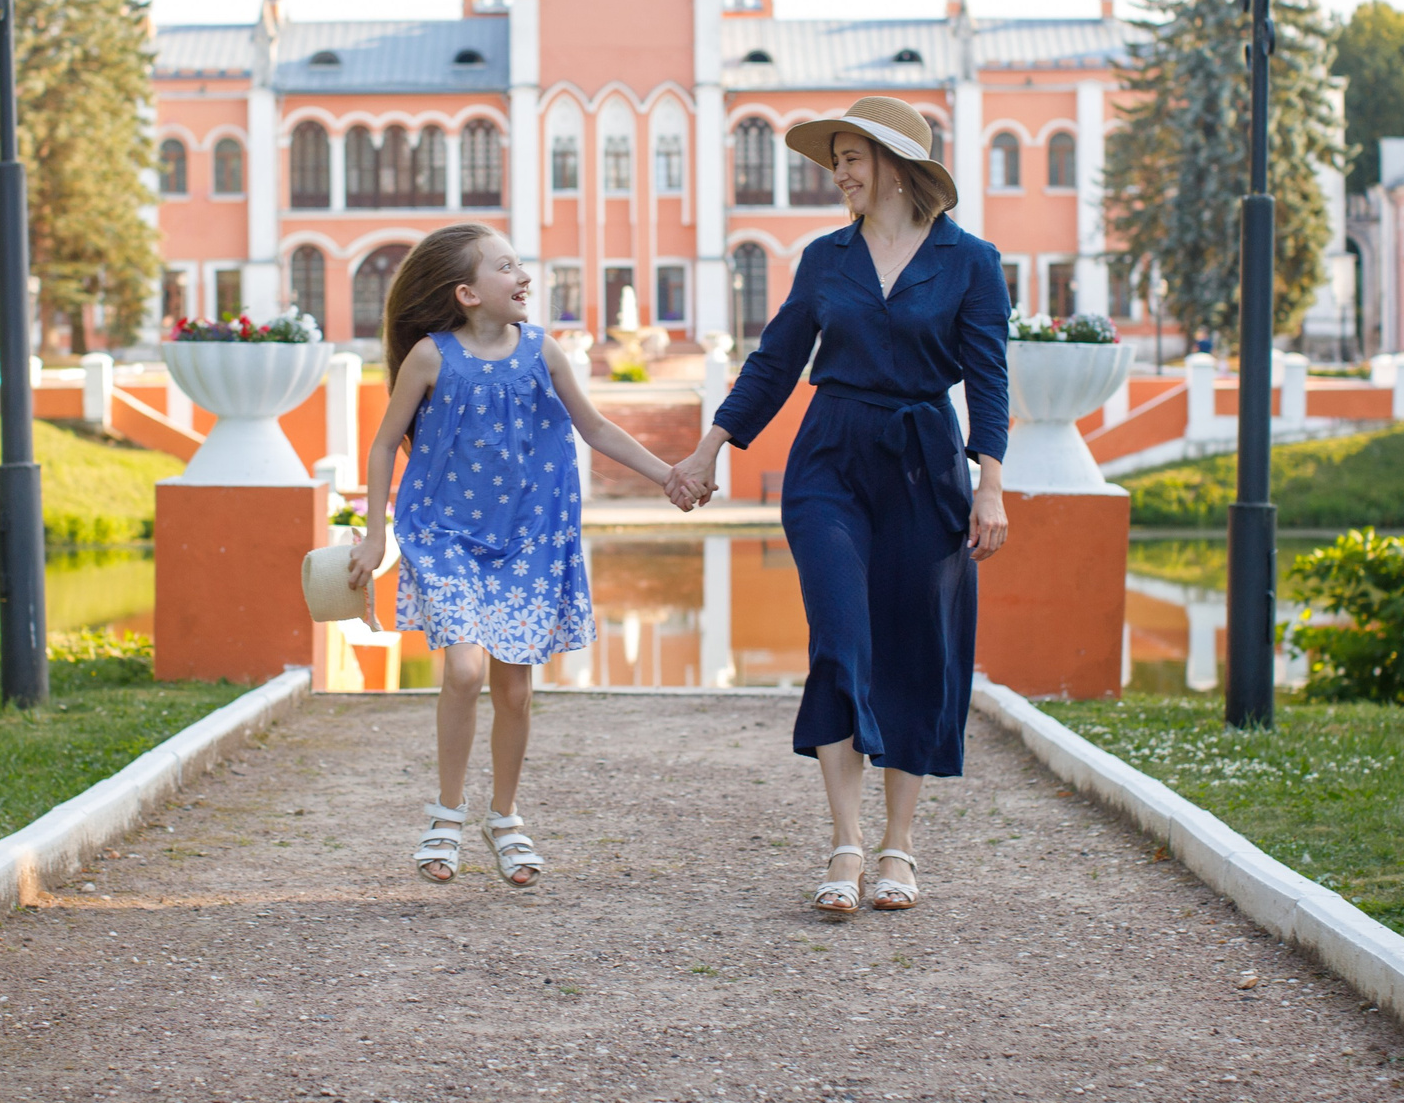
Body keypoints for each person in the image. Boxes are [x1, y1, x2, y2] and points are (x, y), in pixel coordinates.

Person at [670, 97, 1011, 915]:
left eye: (852, 158)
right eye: (836, 162)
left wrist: (990, 483)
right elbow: (775, 361)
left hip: (926, 464)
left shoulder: (970, 261)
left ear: (896, 164)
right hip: (830, 458)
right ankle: (846, 842)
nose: (840, 175)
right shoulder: (825, 259)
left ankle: (899, 846)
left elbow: (989, 377)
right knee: (839, 638)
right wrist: (710, 446)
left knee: (917, 650)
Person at [350, 224, 696, 887]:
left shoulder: (543, 349)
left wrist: (668, 476)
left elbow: (596, 427)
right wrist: (374, 535)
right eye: (506, 266)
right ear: (467, 293)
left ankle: (504, 816)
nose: (524, 276)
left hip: (528, 539)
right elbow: (383, 443)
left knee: (513, 688)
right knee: (464, 670)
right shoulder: (429, 357)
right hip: (448, 535)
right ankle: (447, 813)